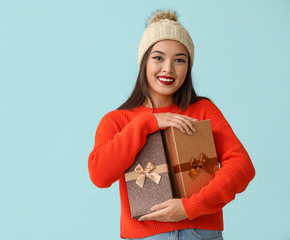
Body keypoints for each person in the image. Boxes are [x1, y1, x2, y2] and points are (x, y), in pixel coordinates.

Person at [88, 10, 255, 240]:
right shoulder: (117, 120)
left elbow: (242, 167)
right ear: (144, 61)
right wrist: (149, 122)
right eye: (158, 57)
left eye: (179, 60)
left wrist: (191, 207)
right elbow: (100, 174)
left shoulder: (203, 110)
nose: (168, 68)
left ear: (188, 67)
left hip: (200, 234)